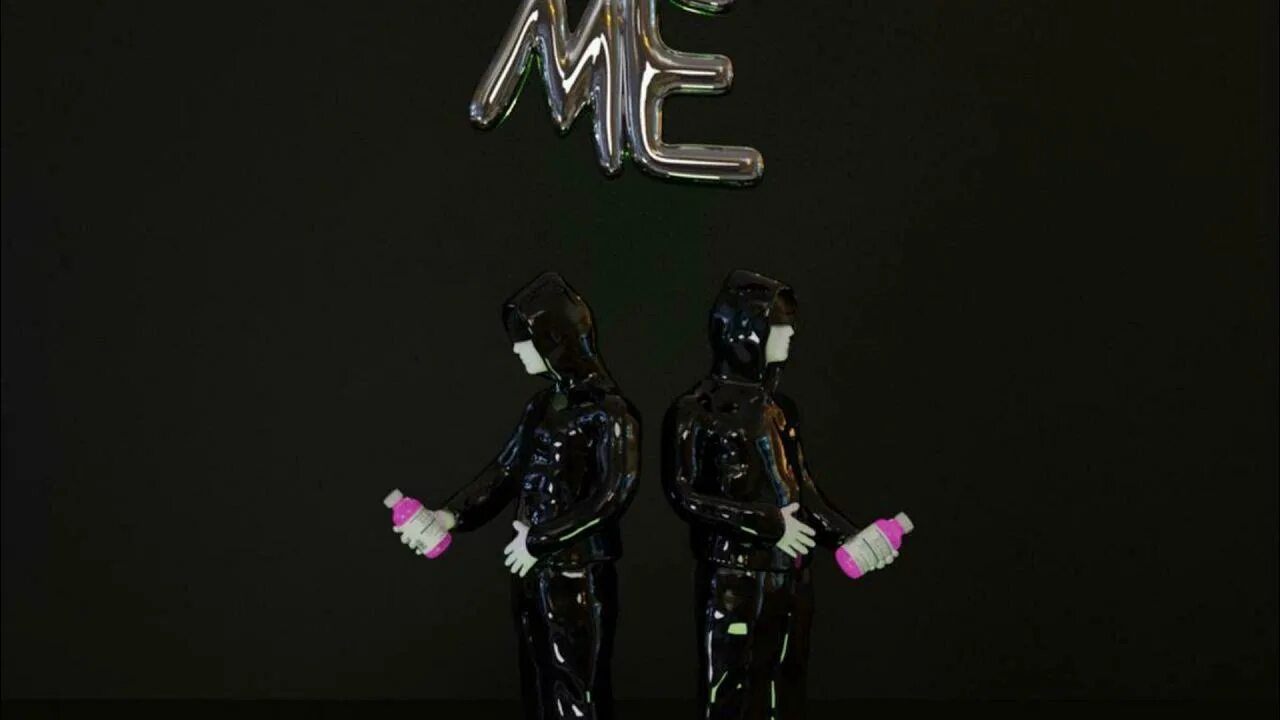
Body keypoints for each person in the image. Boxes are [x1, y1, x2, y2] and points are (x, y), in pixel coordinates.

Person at [397, 271, 639, 720]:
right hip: (531, 572)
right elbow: (505, 470)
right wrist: (449, 515)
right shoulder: (542, 406)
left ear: (555, 341)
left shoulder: (611, 414)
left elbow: (612, 497)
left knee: (575, 684)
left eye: (525, 339)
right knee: (538, 677)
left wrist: (541, 540)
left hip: (577, 574)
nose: (516, 350)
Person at [662, 269, 882, 719]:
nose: (790, 335)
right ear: (747, 331)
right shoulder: (694, 410)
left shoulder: (780, 409)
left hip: (791, 574)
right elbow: (684, 495)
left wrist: (849, 537)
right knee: (731, 683)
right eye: (779, 326)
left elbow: (803, 491)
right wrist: (768, 524)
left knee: (786, 680)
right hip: (734, 577)